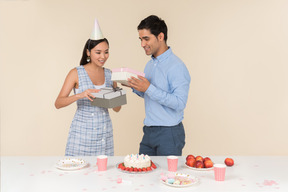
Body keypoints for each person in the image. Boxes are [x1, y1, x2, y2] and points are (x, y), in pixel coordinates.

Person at [55, 19, 121, 156]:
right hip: (81, 136)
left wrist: (117, 94)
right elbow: (58, 103)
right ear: (88, 52)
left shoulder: (110, 74)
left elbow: (117, 109)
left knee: (103, 173)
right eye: (98, 52)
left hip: (104, 135)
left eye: (106, 52)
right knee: (78, 173)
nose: (103, 56)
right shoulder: (76, 73)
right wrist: (81, 94)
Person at [128, 15, 191, 156]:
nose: (142, 44)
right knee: (143, 173)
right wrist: (132, 85)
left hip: (169, 133)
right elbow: (150, 94)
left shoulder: (177, 66)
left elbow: (180, 103)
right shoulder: (150, 64)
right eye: (141, 39)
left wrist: (148, 88)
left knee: (167, 177)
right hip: (149, 131)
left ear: (160, 36)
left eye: (146, 39)